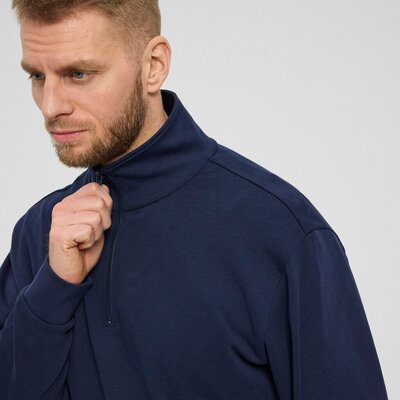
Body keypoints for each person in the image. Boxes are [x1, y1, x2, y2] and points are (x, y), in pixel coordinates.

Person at [0, 1, 388, 399]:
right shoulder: (40, 233)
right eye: (37, 75)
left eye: (78, 74)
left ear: (153, 65)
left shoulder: (282, 232)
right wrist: (53, 288)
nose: (51, 106)